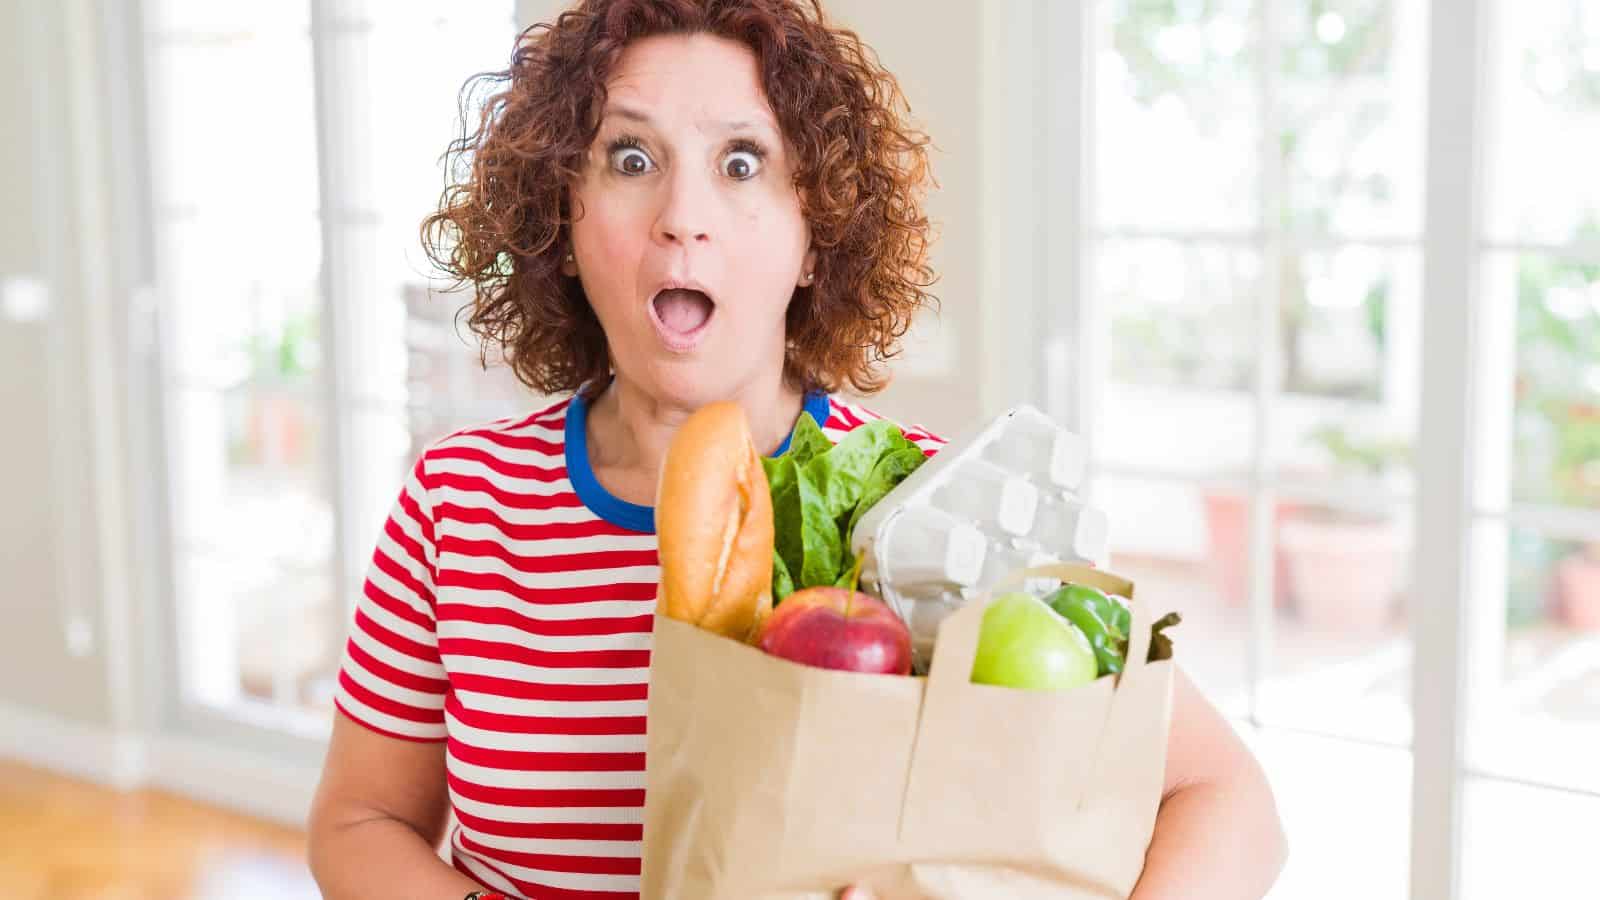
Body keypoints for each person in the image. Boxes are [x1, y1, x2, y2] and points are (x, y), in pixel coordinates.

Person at [306, 2, 1288, 898]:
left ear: (814, 237)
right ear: (563, 221)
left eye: (741, 163)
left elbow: (1227, 797)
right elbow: (359, 821)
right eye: (630, 159)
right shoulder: (457, 503)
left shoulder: (942, 507)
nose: (680, 215)